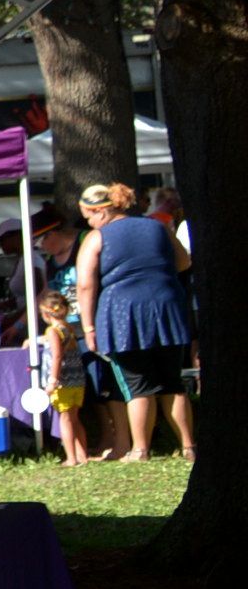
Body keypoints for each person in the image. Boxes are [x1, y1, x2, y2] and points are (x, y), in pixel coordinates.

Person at [75, 182, 198, 461]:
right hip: (166, 308)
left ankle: (140, 449)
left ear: (100, 211)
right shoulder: (158, 226)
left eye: (88, 217)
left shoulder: (96, 237)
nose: (89, 223)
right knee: (172, 383)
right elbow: (183, 261)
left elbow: (85, 285)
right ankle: (189, 446)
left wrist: (88, 327)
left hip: (123, 315)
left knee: (137, 386)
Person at [37, 292, 92, 468]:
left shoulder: (53, 331)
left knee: (65, 419)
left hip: (63, 382)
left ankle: (71, 458)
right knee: (75, 419)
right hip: (77, 380)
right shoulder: (68, 328)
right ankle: (82, 454)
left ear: (46, 314)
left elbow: (57, 355)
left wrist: (52, 379)